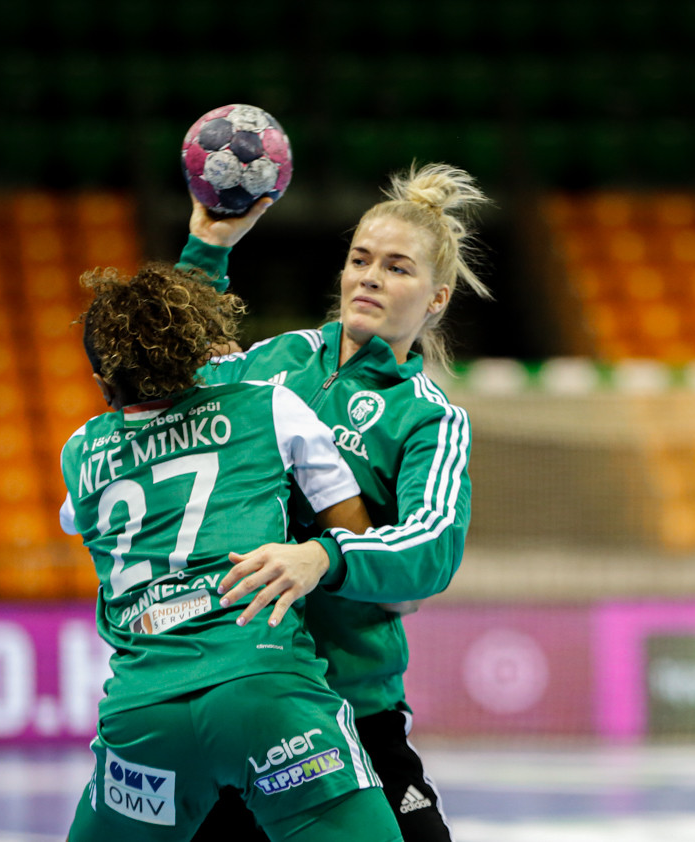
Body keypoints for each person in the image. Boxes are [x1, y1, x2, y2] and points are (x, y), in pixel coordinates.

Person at [179, 163, 493, 842]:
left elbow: (432, 547)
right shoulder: (282, 358)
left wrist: (322, 558)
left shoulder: (428, 417)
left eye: (397, 268)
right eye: (360, 259)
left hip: (352, 703)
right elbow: (176, 383)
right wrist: (208, 247)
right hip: (245, 693)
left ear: (436, 299)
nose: (370, 277)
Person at [59, 262, 403, 842]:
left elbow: (74, 516)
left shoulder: (79, 452)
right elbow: (357, 537)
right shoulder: (270, 405)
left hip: (144, 717)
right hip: (264, 691)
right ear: (198, 347)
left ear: (103, 382)